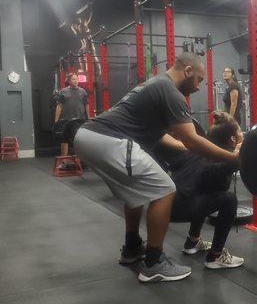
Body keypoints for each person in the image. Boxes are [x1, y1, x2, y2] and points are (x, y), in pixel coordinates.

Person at [73, 52, 240, 283]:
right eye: (199, 80)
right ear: (188, 71)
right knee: (165, 189)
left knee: (135, 192)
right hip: (109, 139)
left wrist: (186, 148)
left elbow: (165, 138)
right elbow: (193, 140)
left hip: (88, 137)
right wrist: (233, 159)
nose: (199, 87)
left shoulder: (155, 85)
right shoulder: (171, 92)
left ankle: (132, 248)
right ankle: (154, 262)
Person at [170, 111, 244, 269]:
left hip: (165, 205)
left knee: (204, 193)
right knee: (229, 200)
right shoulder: (222, 158)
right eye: (239, 131)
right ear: (232, 139)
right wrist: (237, 157)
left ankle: (193, 241)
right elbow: (222, 185)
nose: (242, 133)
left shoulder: (198, 148)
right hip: (180, 208)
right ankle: (215, 256)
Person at [55, 73, 89, 157]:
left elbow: (86, 105)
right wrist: (56, 120)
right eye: (74, 79)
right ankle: (64, 160)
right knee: (64, 140)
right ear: (69, 81)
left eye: (77, 79)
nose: (76, 81)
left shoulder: (83, 91)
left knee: (79, 140)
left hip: (79, 120)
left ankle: (79, 160)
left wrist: (88, 117)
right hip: (66, 120)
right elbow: (59, 106)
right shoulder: (63, 92)